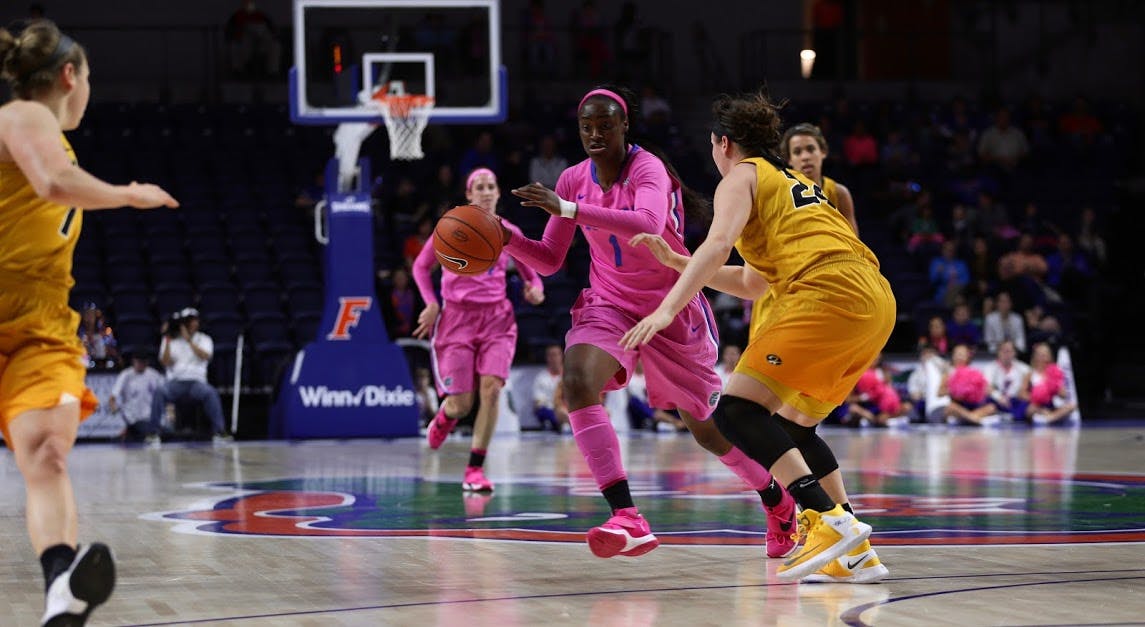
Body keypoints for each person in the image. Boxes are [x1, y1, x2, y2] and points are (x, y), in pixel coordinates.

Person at [507, 85, 798, 561]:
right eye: (586, 126)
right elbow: (549, 259)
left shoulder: (648, 169)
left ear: (625, 126)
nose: (595, 134)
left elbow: (646, 221)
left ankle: (776, 499)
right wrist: (505, 237)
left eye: (605, 125)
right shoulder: (572, 179)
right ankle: (627, 516)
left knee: (708, 432)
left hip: (673, 305)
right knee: (576, 382)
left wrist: (568, 210)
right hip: (609, 302)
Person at [620, 89, 894, 583]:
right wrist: (679, 262)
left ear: (723, 143)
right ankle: (855, 553)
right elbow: (751, 282)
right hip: (874, 301)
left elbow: (717, 244)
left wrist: (667, 307)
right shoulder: (790, 181)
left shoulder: (741, 176)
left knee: (736, 412)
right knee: (794, 430)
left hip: (826, 294)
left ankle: (826, 519)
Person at [0, 19, 177, 624]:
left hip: (41, 322)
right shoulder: (24, 116)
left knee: (47, 455)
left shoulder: (49, 137)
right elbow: (54, 183)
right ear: (70, 76)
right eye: (91, 79)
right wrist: (130, 193)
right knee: (45, 455)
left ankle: (60, 590)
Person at [412, 168, 545, 493]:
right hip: (456, 319)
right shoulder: (451, 226)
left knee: (492, 390)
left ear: (498, 193)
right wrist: (431, 303)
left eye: (491, 186)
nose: (486, 192)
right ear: (469, 194)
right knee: (462, 405)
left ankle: (475, 469)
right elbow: (420, 266)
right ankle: (445, 417)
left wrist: (536, 289)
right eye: (479, 187)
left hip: (497, 320)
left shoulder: (508, 232)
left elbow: (532, 274)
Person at [148, 308, 231, 444]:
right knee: (160, 391)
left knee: (211, 393)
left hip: (197, 383)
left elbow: (205, 356)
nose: (194, 323)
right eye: (190, 321)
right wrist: (167, 338)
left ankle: (219, 432)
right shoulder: (170, 339)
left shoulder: (204, 338)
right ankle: (153, 433)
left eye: (195, 320)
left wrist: (189, 340)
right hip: (175, 382)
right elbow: (165, 362)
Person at [107, 351, 165, 441]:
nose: (141, 365)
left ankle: (129, 434)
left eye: (143, 362)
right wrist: (113, 406)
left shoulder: (154, 375)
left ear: (147, 362)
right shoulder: (126, 375)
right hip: (133, 418)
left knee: (166, 432)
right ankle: (129, 431)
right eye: (139, 362)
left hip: (151, 417)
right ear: (133, 361)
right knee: (151, 432)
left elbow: (164, 393)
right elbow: (112, 397)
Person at [939, 344, 1001, 426]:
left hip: (973, 406)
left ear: (968, 357)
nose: (959, 357)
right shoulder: (948, 373)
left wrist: (978, 392)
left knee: (991, 407)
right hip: (958, 406)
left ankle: (968, 418)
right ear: (953, 356)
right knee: (950, 407)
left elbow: (986, 388)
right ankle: (975, 419)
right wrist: (955, 391)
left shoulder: (974, 372)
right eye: (957, 354)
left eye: (962, 355)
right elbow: (939, 393)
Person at [1023, 342, 1077, 426]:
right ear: (1035, 356)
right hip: (1036, 406)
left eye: (1044, 355)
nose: (1042, 358)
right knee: (1030, 409)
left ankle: (1049, 418)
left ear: (1049, 356)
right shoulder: (1030, 373)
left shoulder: (1054, 372)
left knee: (1072, 406)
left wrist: (1059, 391)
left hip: (1050, 405)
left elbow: (1063, 395)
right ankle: (1044, 415)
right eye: (1039, 355)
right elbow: (1021, 393)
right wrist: (1035, 398)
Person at [982, 340, 1030, 421]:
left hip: (1014, 400)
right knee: (986, 400)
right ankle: (1002, 414)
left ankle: (1012, 416)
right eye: (1003, 351)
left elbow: (1025, 388)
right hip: (997, 399)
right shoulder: (989, 368)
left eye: (1009, 351)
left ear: (1015, 353)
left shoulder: (1024, 368)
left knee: (1026, 403)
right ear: (998, 352)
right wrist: (999, 397)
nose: (1007, 354)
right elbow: (987, 387)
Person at [532, 343, 569, 432]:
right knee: (542, 410)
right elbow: (538, 403)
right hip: (551, 411)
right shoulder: (541, 378)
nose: (554, 358)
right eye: (550, 355)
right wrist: (557, 409)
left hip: (568, 409)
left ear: (562, 356)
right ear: (546, 358)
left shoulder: (570, 375)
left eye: (556, 355)